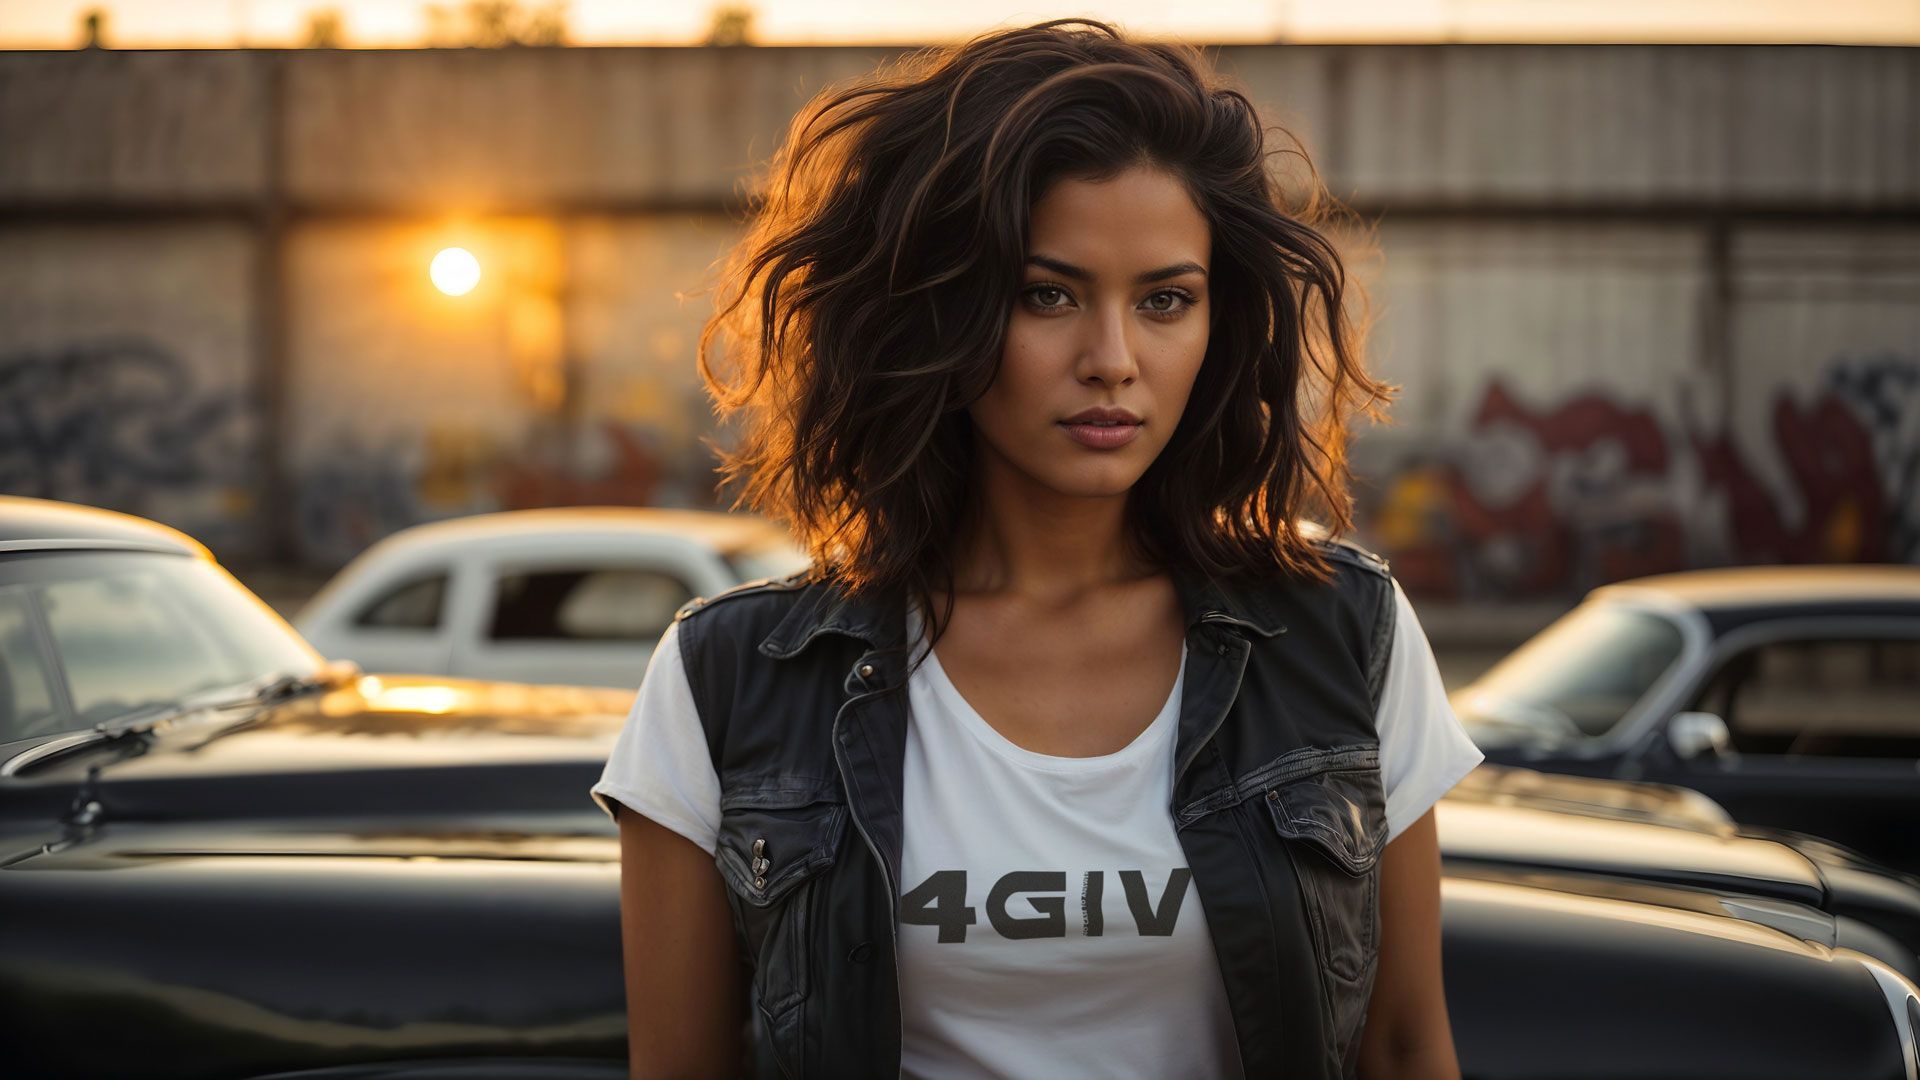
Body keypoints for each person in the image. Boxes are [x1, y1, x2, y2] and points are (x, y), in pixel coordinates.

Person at [591, 18, 1484, 1079]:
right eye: (1046, 295)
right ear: (939, 314)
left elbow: (1401, 1045)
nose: (1112, 359)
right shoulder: (731, 682)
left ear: (1218, 318)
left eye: (1165, 300)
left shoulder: (1340, 632)